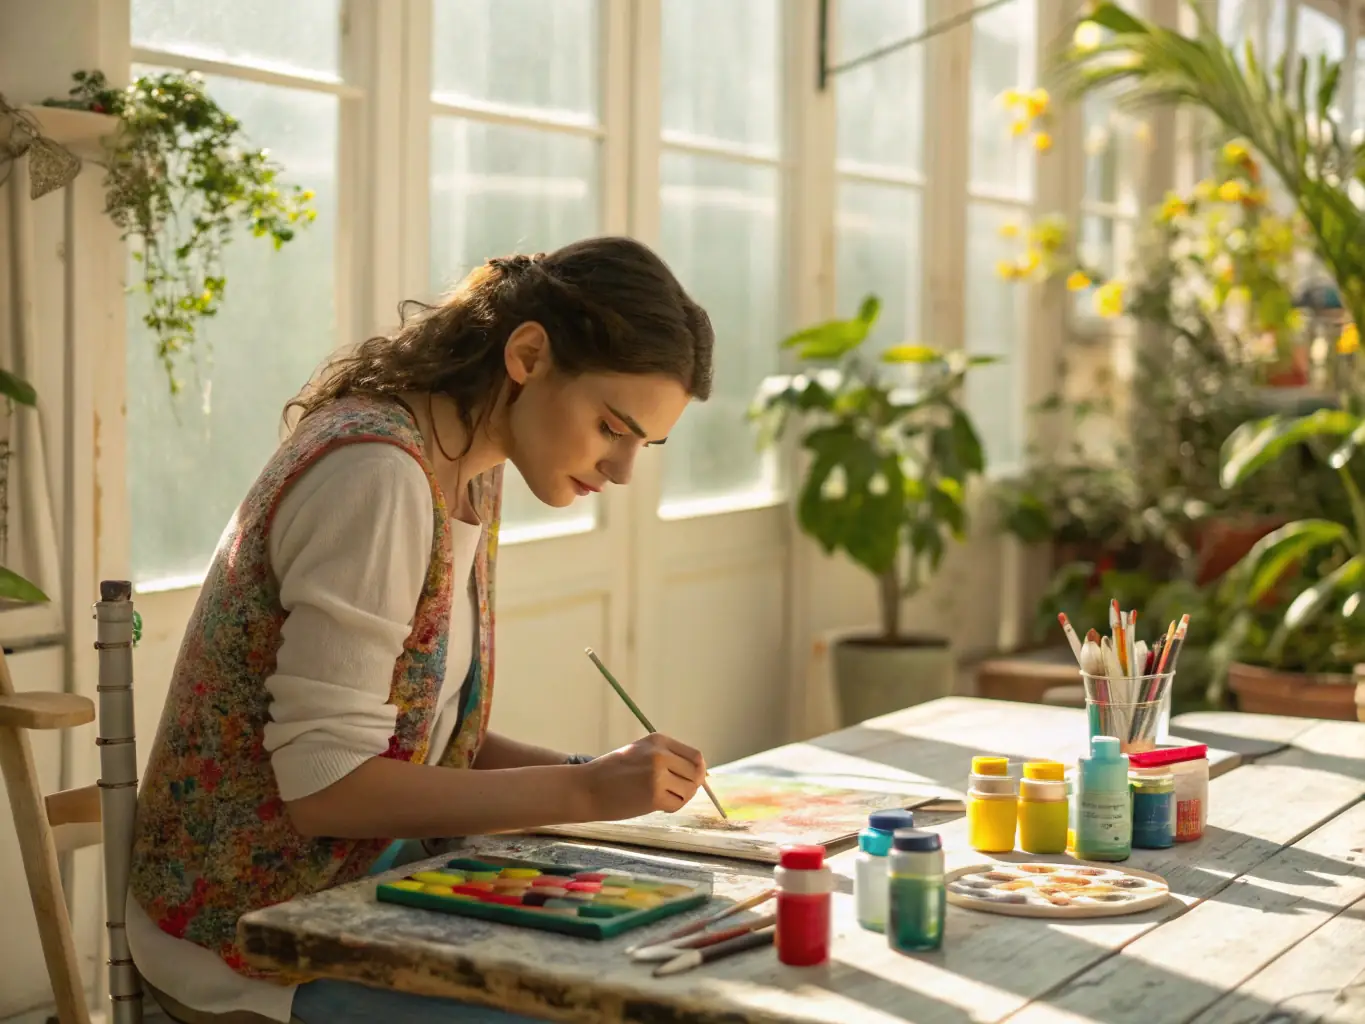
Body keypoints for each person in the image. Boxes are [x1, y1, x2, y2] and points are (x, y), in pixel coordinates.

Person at [126, 236, 717, 1024]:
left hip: (361, 882)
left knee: (662, 963)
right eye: (612, 427)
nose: (622, 470)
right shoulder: (377, 475)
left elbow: (422, 734)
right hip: (248, 925)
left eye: (643, 443)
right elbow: (326, 784)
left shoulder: (469, 469)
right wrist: (582, 790)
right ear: (528, 356)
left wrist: (599, 774)